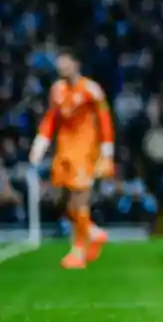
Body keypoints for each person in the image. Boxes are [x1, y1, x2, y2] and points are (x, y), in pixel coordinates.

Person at [28, 51, 114, 269]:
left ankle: (77, 251)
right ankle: (93, 232)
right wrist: (40, 144)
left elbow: (104, 119)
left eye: (65, 63)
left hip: (85, 151)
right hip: (63, 151)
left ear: (76, 64)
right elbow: (51, 118)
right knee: (61, 202)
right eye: (60, 64)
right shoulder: (57, 90)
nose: (62, 67)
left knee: (79, 201)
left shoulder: (91, 89)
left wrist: (107, 152)